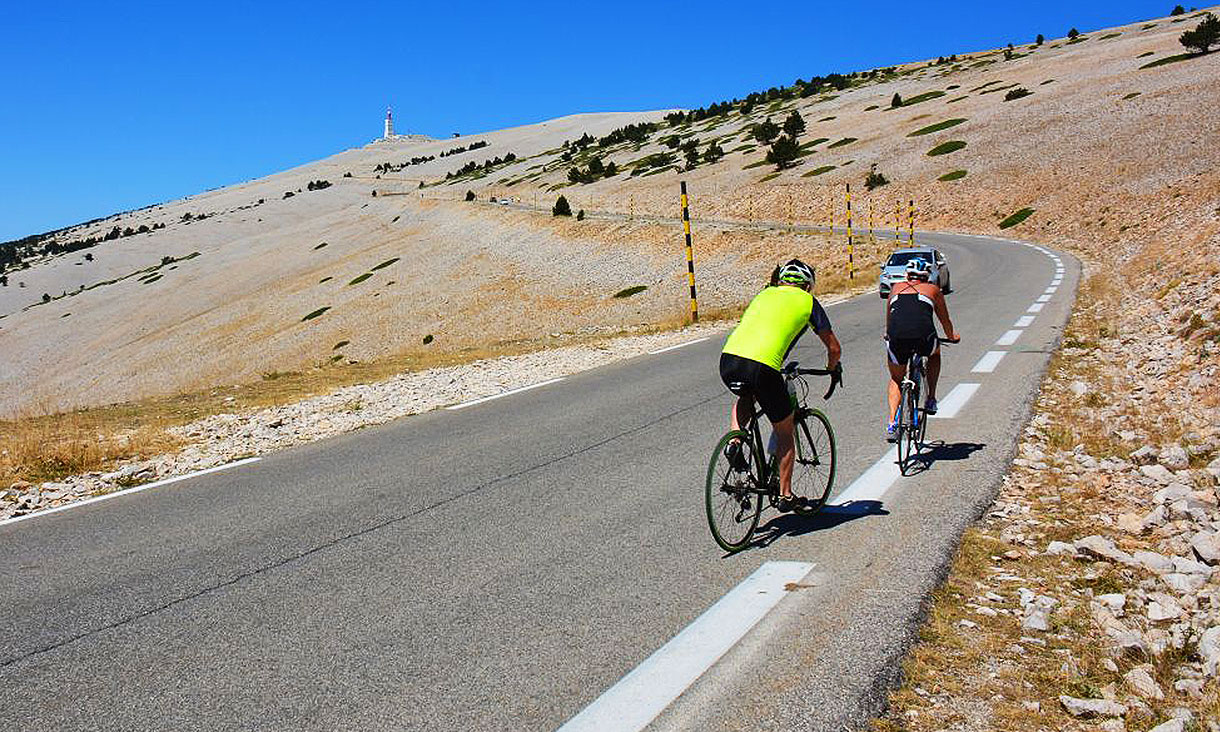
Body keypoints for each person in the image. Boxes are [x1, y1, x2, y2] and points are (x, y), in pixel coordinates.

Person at [719, 259, 842, 512]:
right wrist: (832, 368)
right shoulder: (808, 302)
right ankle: (786, 495)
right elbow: (834, 348)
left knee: (746, 395)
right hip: (763, 366)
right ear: (808, 285)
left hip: (728, 359)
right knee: (785, 431)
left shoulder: (764, 294)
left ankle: (735, 440)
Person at [884, 258, 959, 441]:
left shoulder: (895, 289)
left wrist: (888, 334)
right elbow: (944, 320)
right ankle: (931, 398)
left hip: (896, 337)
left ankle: (893, 422)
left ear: (907, 275)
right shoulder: (933, 290)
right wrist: (951, 336)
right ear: (928, 276)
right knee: (935, 354)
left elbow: (889, 320)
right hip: (923, 337)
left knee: (896, 377)